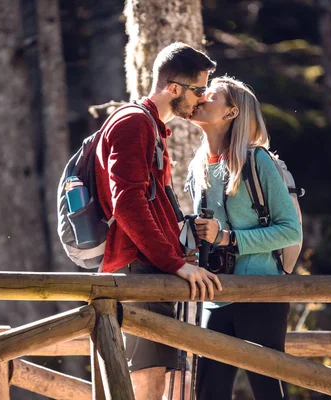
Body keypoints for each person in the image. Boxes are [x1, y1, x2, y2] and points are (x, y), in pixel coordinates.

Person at [94, 42, 222, 400]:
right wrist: (175, 264)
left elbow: (150, 203)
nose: (203, 98)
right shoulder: (134, 122)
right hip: (139, 271)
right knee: (149, 382)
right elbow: (128, 202)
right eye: (199, 89)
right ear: (174, 88)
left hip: (155, 269)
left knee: (175, 383)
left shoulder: (150, 125)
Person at [186, 76, 302, 399]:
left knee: (269, 393)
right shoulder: (196, 169)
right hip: (215, 297)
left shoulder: (257, 161)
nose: (201, 97)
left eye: (211, 96)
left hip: (261, 295)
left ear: (231, 113)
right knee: (207, 393)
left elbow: (290, 230)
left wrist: (228, 238)